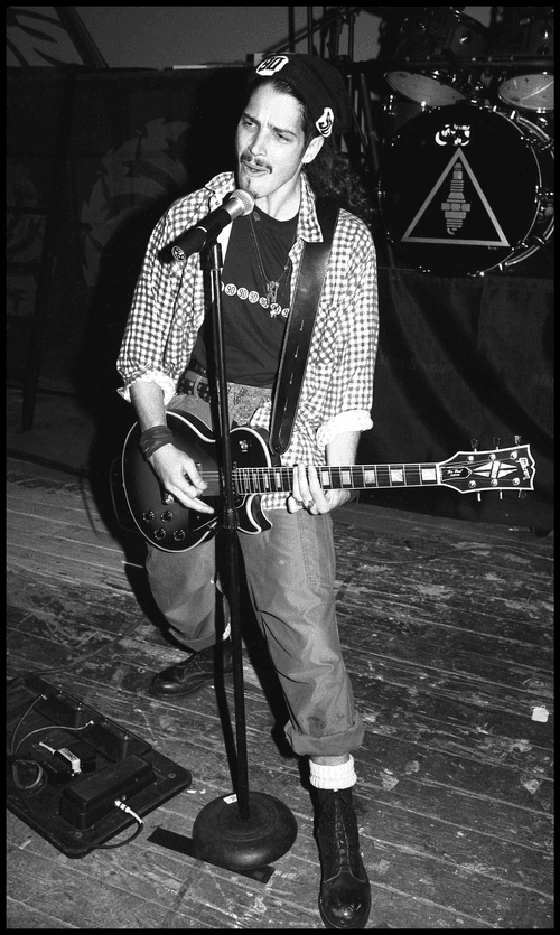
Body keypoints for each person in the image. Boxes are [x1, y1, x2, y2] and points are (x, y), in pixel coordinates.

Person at [117, 53, 378, 929]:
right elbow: (146, 344)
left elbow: (346, 381)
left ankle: (337, 810)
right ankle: (217, 637)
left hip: (289, 430)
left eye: (279, 133)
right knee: (178, 599)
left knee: (302, 623)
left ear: (315, 144)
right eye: (247, 124)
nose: (255, 147)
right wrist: (156, 441)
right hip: (192, 417)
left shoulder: (342, 241)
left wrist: (329, 469)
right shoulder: (194, 217)